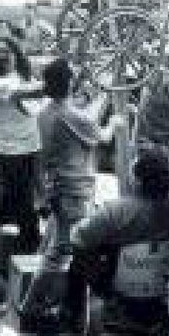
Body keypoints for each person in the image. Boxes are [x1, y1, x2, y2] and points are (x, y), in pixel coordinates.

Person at [64, 147, 169, 327]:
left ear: (138, 177)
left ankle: (72, 316)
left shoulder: (117, 211)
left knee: (78, 256)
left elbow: (78, 238)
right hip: (162, 282)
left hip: (118, 284)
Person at [37, 57, 124, 257]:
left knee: (55, 240)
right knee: (72, 247)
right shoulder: (70, 115)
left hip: (56, 186)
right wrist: (114, 122)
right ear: (69, 83)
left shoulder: (45, 111)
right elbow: (102, 136)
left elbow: (85, 119)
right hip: (74, 190)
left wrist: (101, 96)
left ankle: (36, 280)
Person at [0, 34, 44, 255]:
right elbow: (35, 91)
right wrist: (63, 76)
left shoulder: (18, 76)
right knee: (19, 205)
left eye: (7, 51)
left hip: (32, 146)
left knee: (26, 201)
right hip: (13, 152)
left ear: (16, 53)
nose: (4, 56)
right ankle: (23, 251)